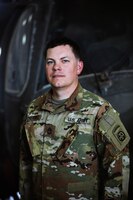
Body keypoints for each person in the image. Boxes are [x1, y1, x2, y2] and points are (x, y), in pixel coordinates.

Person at [19, 37, 130, 200]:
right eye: (50, 62)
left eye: (64, 61)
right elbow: (25, 162)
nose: (56, 67)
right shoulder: (34, 109)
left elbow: (120, 166)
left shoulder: (99, 111)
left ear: (78, 67)